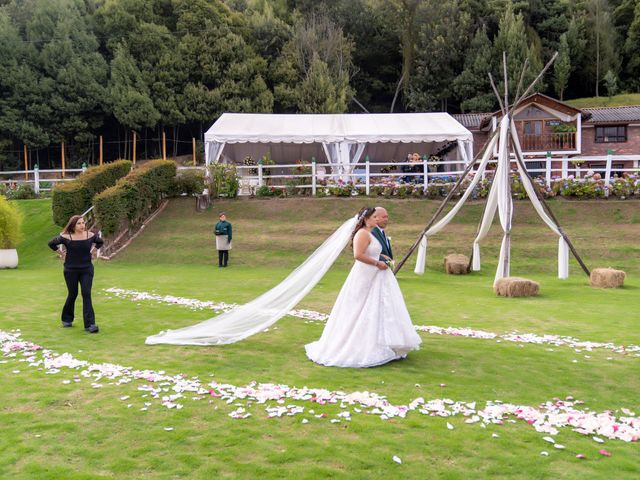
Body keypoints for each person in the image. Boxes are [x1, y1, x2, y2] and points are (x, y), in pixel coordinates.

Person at [305, 207, 421, 367]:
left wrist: (386, 264)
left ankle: (386, 343)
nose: (377, 220)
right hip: (365, 273)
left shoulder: (375, 234)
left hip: (379, 274)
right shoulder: (362, 234)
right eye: (374, 217)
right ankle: (360, 345)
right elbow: (358, 255)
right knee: (360, 307)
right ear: (366, 219)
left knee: (381, 306)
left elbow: (381, 253)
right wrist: (376, 263)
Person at [48, 215, 103, 333]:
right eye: (79, 223)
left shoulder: (90, 235)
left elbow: (100, 242)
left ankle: (90, 325)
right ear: (73, 225)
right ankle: (67, 319)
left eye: (83, 223)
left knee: (86, 293)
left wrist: (93, 251)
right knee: (73, 294)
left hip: (87, 269)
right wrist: (61, 253)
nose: (82, 225)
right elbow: (51, 243)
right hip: (70, 270)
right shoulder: (65, 237)